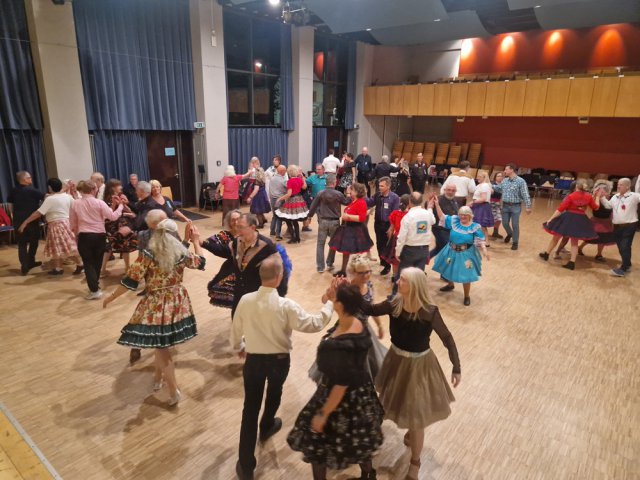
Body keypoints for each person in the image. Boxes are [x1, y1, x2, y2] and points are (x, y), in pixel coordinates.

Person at [231, 256, 335, 480]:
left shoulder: (246, 300)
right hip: (279, 361)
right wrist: (330, 303)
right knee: (274, 392)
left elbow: (235, 329)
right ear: (279, 278)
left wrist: (239, 346)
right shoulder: (286, 305)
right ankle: (267, 424)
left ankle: (246, 465)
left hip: (254, 361)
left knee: (249, 409)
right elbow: (315, 323)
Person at [360, 268, 461, 480]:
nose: (398, 281)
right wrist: (352, 289)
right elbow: (369, 309)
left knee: (416, 417)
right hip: (396, 360)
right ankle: (380, 436)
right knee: (390, 399)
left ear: (414, 285)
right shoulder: (394, 303)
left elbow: (447, 338)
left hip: (419, 365)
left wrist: (456, 366)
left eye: (403, 280)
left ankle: (415, 463)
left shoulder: (429, 311)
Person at [102, 219, 205, 406]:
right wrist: (196, 241)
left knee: (161, 345)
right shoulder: (180, 252)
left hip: (158, 303)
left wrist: (111, 297)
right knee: (160, 344)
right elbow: (200, 262)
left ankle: (173, 390)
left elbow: (131, 281)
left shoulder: (149, 254)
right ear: (173, 235)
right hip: (177, 299)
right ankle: (158, 378)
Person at [288, 283, 384, 480]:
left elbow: (340, 385)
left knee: (317, 446)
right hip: (362, 392)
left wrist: (323, 414)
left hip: (336, 397)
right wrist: (334, 296)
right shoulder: (358, 322)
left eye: (336, 300)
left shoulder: (337, 346)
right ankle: (369, 474)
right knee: (359, 442)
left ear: (341, 305)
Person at [219, 213, 288, 317]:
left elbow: (280, 270)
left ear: (253, 227)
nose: (237, 230)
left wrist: (279, 295)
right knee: (236, 318)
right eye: (237, 226)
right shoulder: (237, 242)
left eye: (241, 227)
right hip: (240, 295)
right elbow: (223, 251)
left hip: (257, 297)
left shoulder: (267, 246)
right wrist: (202, 243)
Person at [70, 180, 124, 300]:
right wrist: (120, 206)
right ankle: (95, 287)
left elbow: (73, 224)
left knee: (88, 263)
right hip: (99, 236)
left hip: (84, 236)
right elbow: (112, 216)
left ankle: (94, 290)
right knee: (97, 263)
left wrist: (76, 235)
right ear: (93, 190)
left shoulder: (75, 203)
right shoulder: (99, 202)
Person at [18, 177, 82, 275]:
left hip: (57, 226)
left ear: (50, 187)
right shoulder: (67, 197)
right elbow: (75, 208)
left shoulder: (50, 199)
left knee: (65, 248)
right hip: (66, 224)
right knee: (59, 247)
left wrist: (25, 222)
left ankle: (80, 264)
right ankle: (58, 268)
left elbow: (38, 213)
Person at [432, 204, 489, 306]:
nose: (462, 217)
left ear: (470, 215)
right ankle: (450, 285)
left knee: (466, 274)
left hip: (466, 254)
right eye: (461, 214)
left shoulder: (474, 227)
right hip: (451, 250)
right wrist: (436, 204)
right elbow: (442, 216)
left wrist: (484, 250)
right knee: (449, 268)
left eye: (465, 215)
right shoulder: (455, 221)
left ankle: (467, 296)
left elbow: (481, 239)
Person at [539, 178, 601, 270]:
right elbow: (596, 207)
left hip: (568, 218)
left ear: (576, 186)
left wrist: (551, 219)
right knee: (574, 242)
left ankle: (546, 254)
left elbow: (560, 209)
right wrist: (597, 197)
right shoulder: (588, 196)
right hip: (580, 219)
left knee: (556, 237)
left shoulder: (571, 196)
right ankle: (572, 262)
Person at [308, 174, 351, 273]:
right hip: (335, 222)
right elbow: (347, 202)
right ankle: (330, 263)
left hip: (323, 221)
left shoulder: (320, 193)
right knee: (333, 243)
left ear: (326, 182)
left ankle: (320, 267)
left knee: (320, 244)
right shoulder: (338, 194)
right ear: (334, 182)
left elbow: (313, 206)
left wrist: (309, 216)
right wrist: (348, 193)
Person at [328, 182, 374, 276]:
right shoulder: (355, 201)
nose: (350, 191)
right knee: (346, 251)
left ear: (357, 192)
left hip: (353, 229)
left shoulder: (361, 202)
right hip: (348, 228)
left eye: (352, 190)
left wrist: (348, 217)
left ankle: (346, 270)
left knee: (347, 250)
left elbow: (361, 218)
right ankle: (343, 270)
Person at [599, 178, 640, 277]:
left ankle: (623, 269)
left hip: (629, 226)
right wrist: (602, 198)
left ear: (627, 186)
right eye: (618, 184)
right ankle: (627, 264)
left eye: (621, 184)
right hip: (617, 227)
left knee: (625, 246)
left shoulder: (634, 196)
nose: (618, 186)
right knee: (622, 247)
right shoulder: (615, 196)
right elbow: (608, 206)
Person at [203, 209, 242, 309]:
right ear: (229, 222)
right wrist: (200, 242)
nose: (236, 222)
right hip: (231, 271)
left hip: (246, 271)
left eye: (238, 219)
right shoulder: (225, 235)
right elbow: (209, 242)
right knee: (235, 302)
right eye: (233, 220)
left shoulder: (247, 233)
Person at [8, 171, 44, 275]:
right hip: (32, 220)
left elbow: (10, 204)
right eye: (29, 177)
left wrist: (13, 216)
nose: (31, 179)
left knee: (22, 244)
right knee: (34, 242)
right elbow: (45, 198)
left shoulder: (13, 190)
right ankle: (30, 261)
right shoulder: (33, 190)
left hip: (18, 220)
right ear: (24, 179)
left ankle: (24, 266)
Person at [100, 179, 138, 277]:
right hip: (112, 225)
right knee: (109, 247)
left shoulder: (121, 196)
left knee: (124, 246)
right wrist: (115, 204)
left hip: (121, 224)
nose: (121, 187)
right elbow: (109, 214)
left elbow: (127, 210)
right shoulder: (107, 199)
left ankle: (127, 268)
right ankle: (103, 269)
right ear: (113, 188)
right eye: (118, 185)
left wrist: (125, 204)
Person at [395, 192, 436, 283]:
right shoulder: (427, 214)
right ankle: (415, 292)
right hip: (424, 250)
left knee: (403, 275)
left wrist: (398, 251)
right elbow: (433, 220)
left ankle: (396, 291)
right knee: (418, 277)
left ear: (409, 201)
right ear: (421, 201)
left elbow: (402, 237)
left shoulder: (408, 217)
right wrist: (430, 208)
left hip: (410, 251)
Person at [492, 163, 532, 251]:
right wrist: (489, 185)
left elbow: (525, 194)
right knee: (505, 223)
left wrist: (528, 206)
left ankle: (515, 242)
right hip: (505, 206)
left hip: (516, 207)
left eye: (506, 169)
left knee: (515, 224)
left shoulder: (521, 181)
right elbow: (499, 188)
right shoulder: (505, 180)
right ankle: (510, 233)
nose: (504, 171)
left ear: (511, 170)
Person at [365, 176, 400, 276]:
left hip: (388, 225)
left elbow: (395, 214)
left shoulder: (395, 198)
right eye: (379, 185)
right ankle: (383, 262)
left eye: (382, 186)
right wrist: (363, 195)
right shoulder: (377, 195)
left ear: (388, 186)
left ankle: (387, 266)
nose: (379, 187)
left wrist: (391, 228)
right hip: (378, 224)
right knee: (379, 244)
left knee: (387, 246)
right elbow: (369, 203)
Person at [578, 181, 615, 263]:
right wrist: (596, 196)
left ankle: (599, 254)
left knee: (603, 239)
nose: (601, 193)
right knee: (591, 237)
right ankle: (580, 247)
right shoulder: (594, 199)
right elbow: (593, 207)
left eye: (603, 191)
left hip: (606, 222)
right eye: (600, 191)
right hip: (596, 221)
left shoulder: (610, 199)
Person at [275, 165, 309, 244]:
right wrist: (303, 178)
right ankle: (297, 238)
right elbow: (304, 187)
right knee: (295, 220)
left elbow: (289, 194)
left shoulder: (290, 181)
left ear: (289, 173)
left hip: (292, 201)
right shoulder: (299, 179)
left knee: (288, 220)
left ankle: (293, 238)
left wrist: (280, 198)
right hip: (299, 200)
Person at [380, 194, 410, 281]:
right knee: (405, 259)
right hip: (406, 240)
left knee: (394, 260)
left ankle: (394, 276)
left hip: (396, 238)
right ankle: (404, 276)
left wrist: (390, 237)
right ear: (409, 204)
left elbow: (391, 228)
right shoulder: (410, 215)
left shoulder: (395, 213)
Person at [431, 184, 459, 260]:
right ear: (444, 190)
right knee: (448, 248)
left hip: (449, 229)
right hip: (439, 229)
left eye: (453, 190)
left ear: (455, 191)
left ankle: (422, 262)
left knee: (438, 249)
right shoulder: (438, 199)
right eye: (449, 190)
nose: (450, 192)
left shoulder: (454, 200)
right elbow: (429, 208)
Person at [470, 171, 494, 246]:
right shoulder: (480, 185)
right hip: (478, 205)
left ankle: (486, 241)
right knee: (477, 224)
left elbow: (483, 198)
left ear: (484, 177)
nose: (477, 178)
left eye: (480, 176)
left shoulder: (484, 185)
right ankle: (479, 240)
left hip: (482, 206)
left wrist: (472, 202)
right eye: (478, 176)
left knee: (482, 225)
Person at [246, 157, 271, 229]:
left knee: (257, 211)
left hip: (258, 195)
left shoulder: (257, 179)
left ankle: (260, 224)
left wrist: (250, 197)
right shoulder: (261, 171)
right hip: (262, 194)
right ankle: (264, 219)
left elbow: (256, 189)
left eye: (251, 164)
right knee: (260, 209)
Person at [268, 165, 288, 240]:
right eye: (285, 170)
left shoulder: (272, 178)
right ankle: (278, 235)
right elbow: (287, 189)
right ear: (282, 171)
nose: (286, 172)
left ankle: (272, 231)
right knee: (279, 216)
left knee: (274, 216)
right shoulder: (283, 180)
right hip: (279, 200)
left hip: (272, 199)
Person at [490, 171, 504, 239]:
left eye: (501, 176)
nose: (500, 177)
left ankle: (495, 233)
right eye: (498, 176)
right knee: (490, 218)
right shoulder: (492, 184)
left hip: (498, 203)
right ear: (495, 177)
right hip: (491, 203)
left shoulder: (503, 185)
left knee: (499, 219)